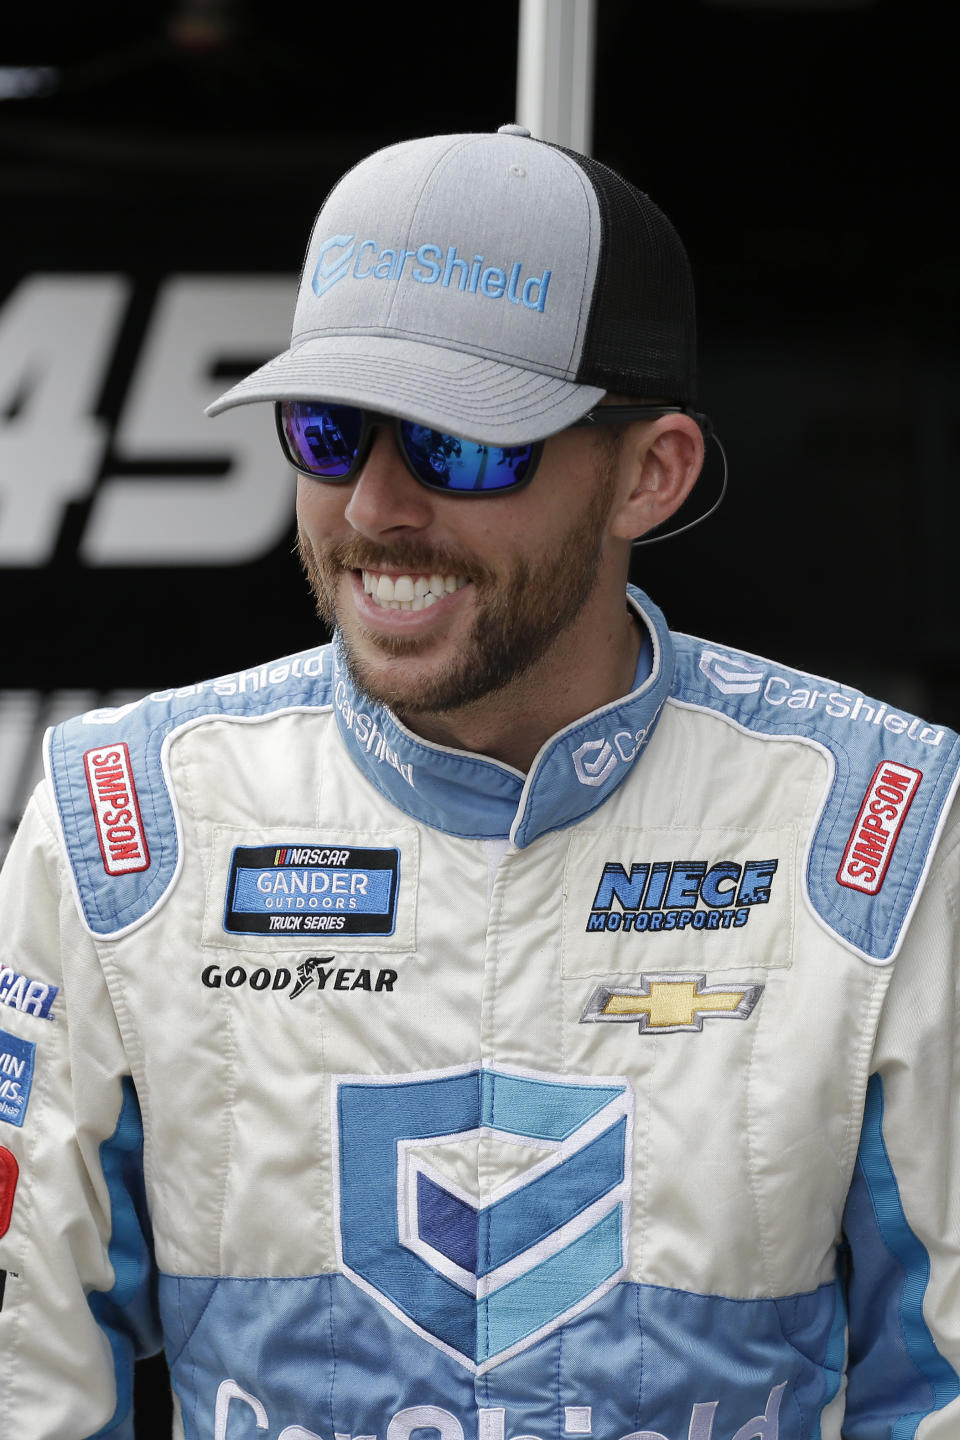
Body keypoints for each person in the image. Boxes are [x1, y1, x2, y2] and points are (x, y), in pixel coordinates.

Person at [0, 126, 958, 1440]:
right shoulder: (127, 823)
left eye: (461, 445)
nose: (377, 506)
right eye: (330, 432)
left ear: (650, 473)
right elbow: (24, 1364)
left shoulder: (877, 827)